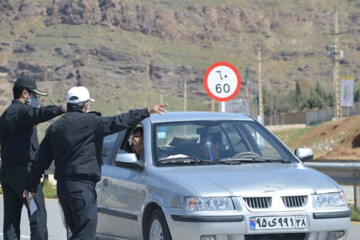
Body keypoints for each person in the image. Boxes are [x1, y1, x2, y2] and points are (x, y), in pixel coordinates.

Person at [23, 86, 167, 239]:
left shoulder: (55, 128)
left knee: (77, 232)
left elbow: (40, 160)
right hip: (82, 188)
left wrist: (30, 185)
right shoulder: (92, 122)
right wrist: (146, 112)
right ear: (86, 106)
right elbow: (120, 121)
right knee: (85, 233)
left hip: (64, 189)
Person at [0, 75, 66, 240]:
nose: (35, 99)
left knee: (10, 221)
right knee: (37, 216)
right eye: (34, 95)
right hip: (25, 176)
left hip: (7, 174)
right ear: (24, 93)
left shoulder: (5, 115)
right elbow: (39, 114)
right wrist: (61, 109)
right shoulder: (23, 111)